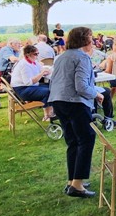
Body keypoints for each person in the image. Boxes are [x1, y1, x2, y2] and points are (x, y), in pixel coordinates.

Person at [47, 27, 102, 198]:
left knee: (73, 141)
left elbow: (53, 82)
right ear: (85, 40)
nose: (93, 41)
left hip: (58, 100)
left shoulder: (61, 56)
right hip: (75, 102)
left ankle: (72, 181)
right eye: (91, 38)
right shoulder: (82, 57)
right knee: (86, 139)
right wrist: (97, 94)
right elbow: (81, 86)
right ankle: (77, 185)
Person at [11, 45, 54, 120]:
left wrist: (46, 71)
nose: (37, 56)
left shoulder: (33, 61)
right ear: (28, 55)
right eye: (35, 54)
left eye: (38, 53)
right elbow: (28, 82)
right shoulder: (24, 65)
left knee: (52, 87)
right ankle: (47, 115)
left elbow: (41, 69)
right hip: (22, 90)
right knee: (48, 91)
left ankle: (53, 111)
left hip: (30, 86)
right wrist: (42, 73)